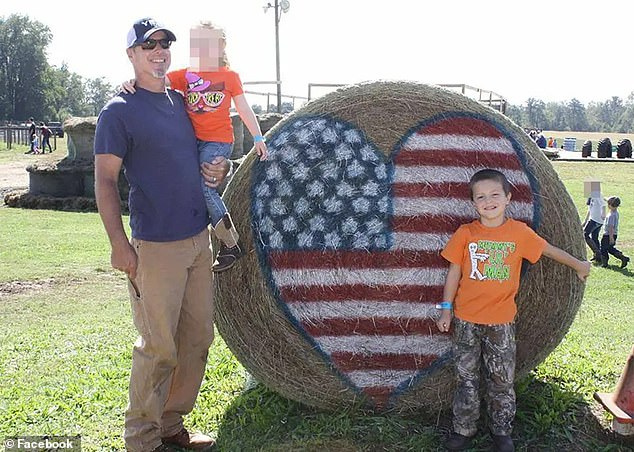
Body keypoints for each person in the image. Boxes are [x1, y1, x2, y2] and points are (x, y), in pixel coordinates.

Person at [94, 17, 230, 452]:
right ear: (131, 55)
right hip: (156, 247)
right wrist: (118, 243)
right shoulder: (119, 111)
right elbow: (105, 181)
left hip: (197, 239)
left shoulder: (182, 100)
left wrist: (218, 167)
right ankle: (142, 439)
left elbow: (206, 149)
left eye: (164, 44)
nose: (158, 51)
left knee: (197, 338)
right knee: (158, 346)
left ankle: (171, 424)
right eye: (147, 45)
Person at [436, 169, 590, 452]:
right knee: (466, 378)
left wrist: (579, 264)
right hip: (466, 320)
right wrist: (446, 309)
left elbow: (549, 250)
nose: (488, 201)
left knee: (501, 380)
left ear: (508, 198)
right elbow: (453, 273)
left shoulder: (518, 233)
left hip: (501, 322)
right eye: (480, 197)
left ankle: (502, 431)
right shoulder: (466, 234)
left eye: (495, 195)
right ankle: (463, 429)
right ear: (473, 203)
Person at [122, 20, 267, 272]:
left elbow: (243, 108)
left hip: (218, 141)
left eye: (210, 45)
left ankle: (230, 243)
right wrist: (131, 83)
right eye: (199, 45)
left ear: (221, 47)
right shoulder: (186, 75)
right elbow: (156, 80)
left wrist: (258, 138)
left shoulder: (229, 77)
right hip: (193, 142)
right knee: (193, 187)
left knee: (207, 188)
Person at [600, 196, 630, 268]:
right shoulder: (615, 212)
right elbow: (610, 201)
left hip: (608, 235)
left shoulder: (611, 216)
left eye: (608, 204)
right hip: (614, 234)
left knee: (603, 248)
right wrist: (603, 198)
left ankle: (605, 263)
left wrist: (611, 238)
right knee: (610, 248)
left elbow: (611, 227)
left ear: (610, 205)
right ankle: (623, 258)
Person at [583, 189, 606, 262]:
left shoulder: (597, 194)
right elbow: (590, 209)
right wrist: (585, 221)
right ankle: (598, 257)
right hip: (594, 219)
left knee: (585, 235)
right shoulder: (591, 196)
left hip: (596, 220)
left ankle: (597, 253)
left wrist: (603, 214)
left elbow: (604, 204)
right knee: (594, 238)